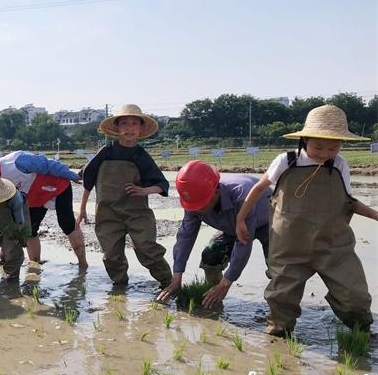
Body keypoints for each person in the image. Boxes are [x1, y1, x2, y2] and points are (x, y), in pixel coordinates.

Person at [236, 104, 377, 336]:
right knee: (281, 301)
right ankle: (278, 344)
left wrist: (374, 215)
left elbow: (348, 201)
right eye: (318, 146)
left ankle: (361, 335)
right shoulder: (287, 161)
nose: (324, 153)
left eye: (333, 147)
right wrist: (241, 218)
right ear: (304, 140)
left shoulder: (340, 164)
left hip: (333, 246)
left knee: (355, 297)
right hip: (289, 247)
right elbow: (259, 188)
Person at [76, 104, 172, 287]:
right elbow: (88, 180)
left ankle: (168, 282)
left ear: (141, 128)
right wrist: (82, 210)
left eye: (135, 123)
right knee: (111, 254)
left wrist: (144, 190)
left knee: (146, 247)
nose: (129, 127)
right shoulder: (106, 152)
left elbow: (162, 185)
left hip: (137, 213)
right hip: (108, 212)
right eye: (125, 123)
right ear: (117, 128)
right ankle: (120, 288)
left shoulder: (141, 155)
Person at [156, 160, 271, 308]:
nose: (197, 210)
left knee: (279, 269)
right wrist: (177, 276)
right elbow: (185, 236)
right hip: (231, 227)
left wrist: (227, 281)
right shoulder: (193, 199)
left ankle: (277, 314)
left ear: (216, 191)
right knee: (211, 256)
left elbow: (243, 243)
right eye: (194, 206)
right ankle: (212, 301)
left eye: (202, 205)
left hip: (269, 222)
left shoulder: (242, 194)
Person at [0, 146, 87, 269]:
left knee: (67, 224)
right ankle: (35, 267)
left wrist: (72, 175)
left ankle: (83, 264)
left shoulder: (16, 162)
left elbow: (48, 164)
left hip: (56, 186)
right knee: (30, 231)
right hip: (32, 197)